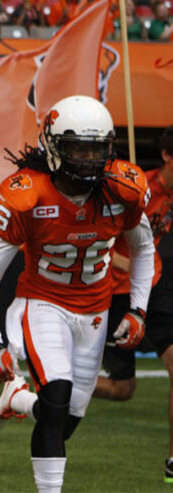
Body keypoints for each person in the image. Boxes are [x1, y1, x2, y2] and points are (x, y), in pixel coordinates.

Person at [0, 96, 154, 493]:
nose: (88, 159)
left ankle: (16, 398)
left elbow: (143, 248)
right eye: (78, 148)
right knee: (56, 399)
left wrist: (138, 309)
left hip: (94, 312)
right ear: (54, 145)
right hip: (42, 304)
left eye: (96, 148)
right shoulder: (30, 195)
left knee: (63, 422)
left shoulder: (122, 190)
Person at [92, 125, 173, 481]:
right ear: (167, 156)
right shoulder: (135, 186)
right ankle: (53, 381)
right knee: (123, 389)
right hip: (116, 294)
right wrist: (119, 259)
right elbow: (94, 233)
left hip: (157, 291)